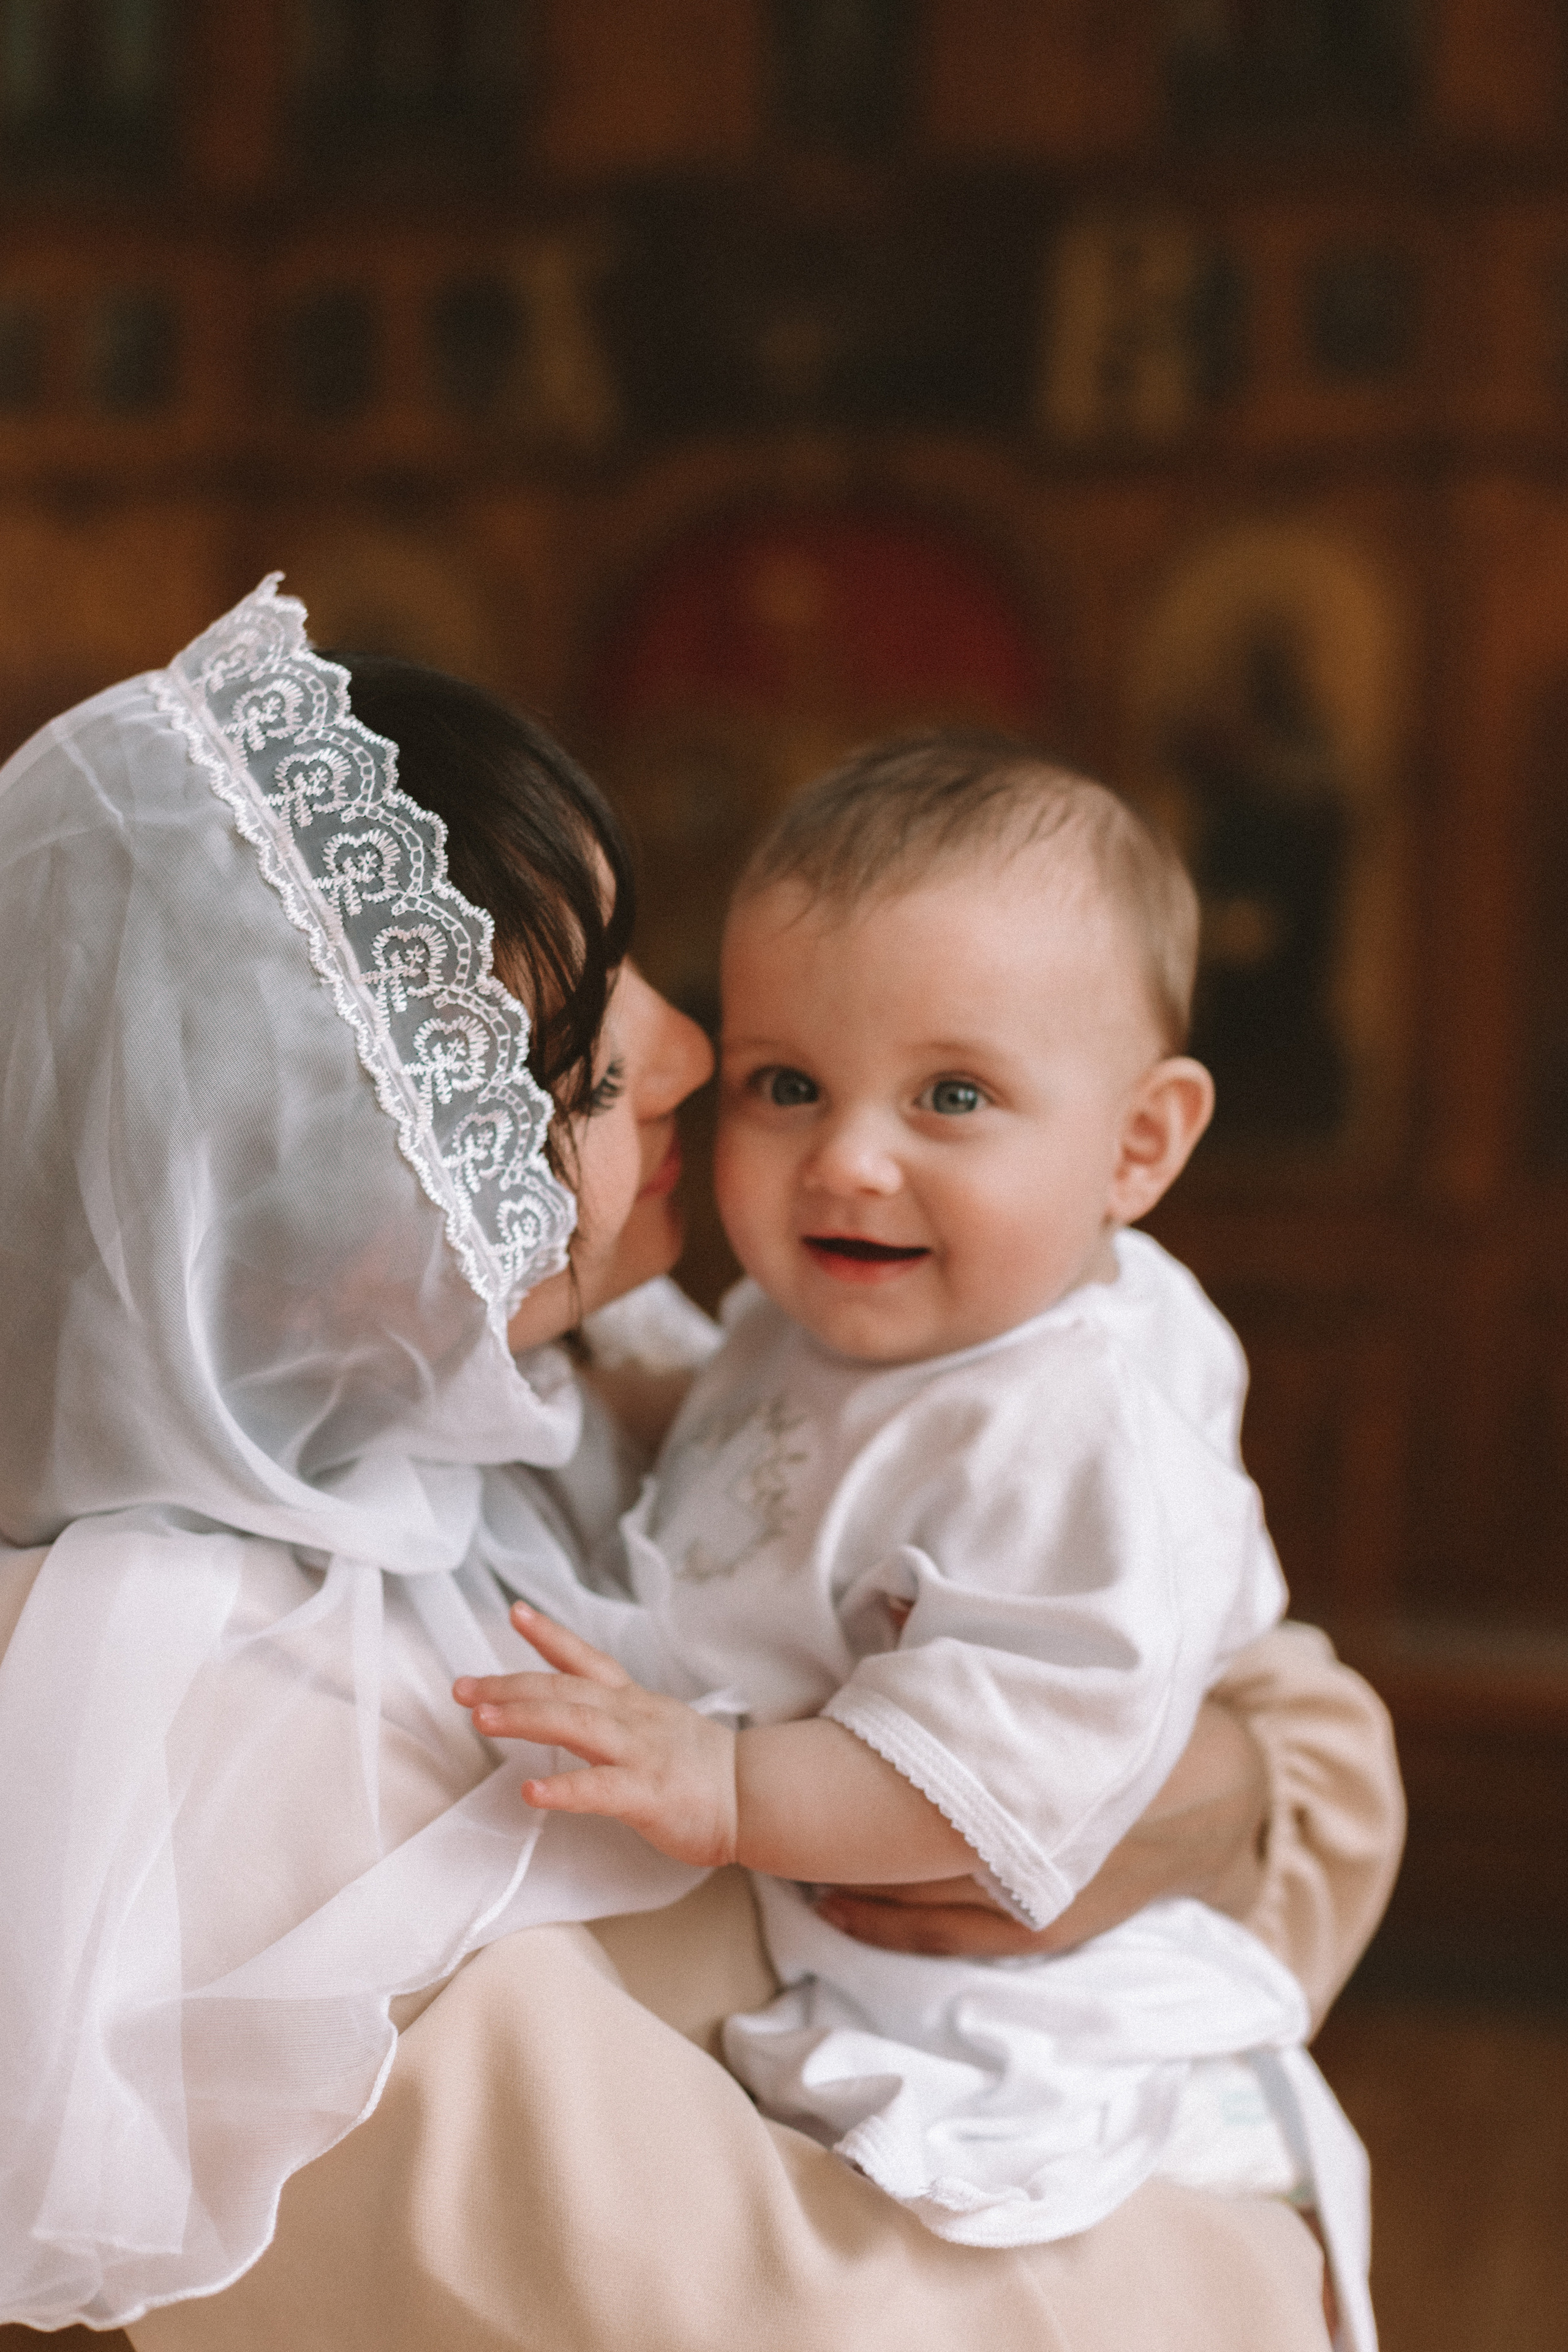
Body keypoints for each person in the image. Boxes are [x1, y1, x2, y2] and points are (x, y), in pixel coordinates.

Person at [0, 581, 1401, 2352]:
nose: (689, 1058)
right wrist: (1259, 2247)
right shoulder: (223, 1774)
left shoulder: (544, 1383)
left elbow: (1275, 1703)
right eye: (579, 1074)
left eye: (641, 964)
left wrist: (1200, 1802)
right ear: (302, 1237)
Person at [448, 741, 1372, 2346]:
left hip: (1016, 2016)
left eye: (953, 1095)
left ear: (1139, 1147)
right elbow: (769, 1452)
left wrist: (728, 1784)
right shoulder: (860, 1320)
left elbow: (994, 1773)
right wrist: (620, 1388)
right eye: (787, 1084)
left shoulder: (1071, 1434)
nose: (848, 1157)